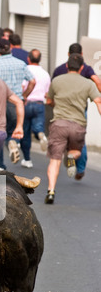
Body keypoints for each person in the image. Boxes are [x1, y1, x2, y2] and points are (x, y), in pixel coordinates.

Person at [44, 53, 101, 205]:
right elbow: (98, 102)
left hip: (59, 124)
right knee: (75, 151)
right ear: (82, 67)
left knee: (54, 160)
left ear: (67, 66)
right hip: (78, 125)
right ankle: (71, 157)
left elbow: (49, 100)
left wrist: (58, 106)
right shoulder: (88, 84)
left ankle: (50, 191)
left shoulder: (57, 80)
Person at [52, 42, 101, 181]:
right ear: (82, 55)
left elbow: (51, 90)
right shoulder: (86, 68)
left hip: (61, 112)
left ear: (68, 55)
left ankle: (65, 159)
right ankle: (79, 169)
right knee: (79, 140)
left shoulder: (60, 69)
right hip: (80, 111)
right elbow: (97, 80)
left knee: (61, 137)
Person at [0, 38, 36, 168]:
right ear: (10, 48)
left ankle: (0, 165)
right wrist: (24, 95)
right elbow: (32, 81)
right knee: (13, 130)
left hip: (0, 104)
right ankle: (12, 141)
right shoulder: (21, 63)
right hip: (17, 103)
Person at [20, 49, 51, 168]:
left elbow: (23, 86)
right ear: (40, 59)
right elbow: (47, 93)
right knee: (38, 126)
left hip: (26, 103)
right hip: (39, 104)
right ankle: (40, 134)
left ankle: (27, 159)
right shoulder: (45, 74)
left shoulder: (25, 70)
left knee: (25, 132)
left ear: (28, 58)